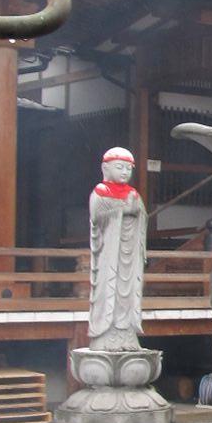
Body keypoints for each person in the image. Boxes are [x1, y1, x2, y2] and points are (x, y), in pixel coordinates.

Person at [88, 147, 148, 351]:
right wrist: (123, 210)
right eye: (120, 167)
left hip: (129, 253)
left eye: (128, 169)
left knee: (128, 291)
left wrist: (136, 212)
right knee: (108, 288)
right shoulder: (100, 192)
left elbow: (143, 217)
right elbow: (97, 217)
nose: (125, 172)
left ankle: (127, 336)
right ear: (105, 168)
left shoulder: (133, 194)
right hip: (109, 252)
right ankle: (105, 336)